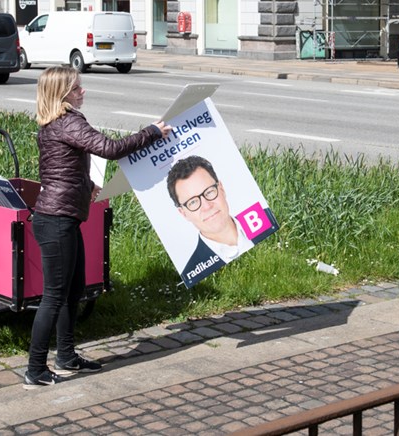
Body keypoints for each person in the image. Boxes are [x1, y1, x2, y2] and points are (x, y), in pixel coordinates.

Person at [26, 66, 172, 389]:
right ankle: (35, 369)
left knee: (73, 292)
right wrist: (150, 132)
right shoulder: (69, 121)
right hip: (57, 221)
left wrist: (87, 183)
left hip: (61, 217)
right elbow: (110, 149)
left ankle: (65, 356)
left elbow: (57, 169)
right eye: (77, 88)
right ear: (63, 94)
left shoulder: (51, 125)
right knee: (53, 297)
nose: (83, 92)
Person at [167, 155, 275, 288]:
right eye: (193, 202)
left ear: (221, 189)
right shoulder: (193, 273)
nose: (207, 206)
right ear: (183, 213)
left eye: (209, 192)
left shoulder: (267, 219)